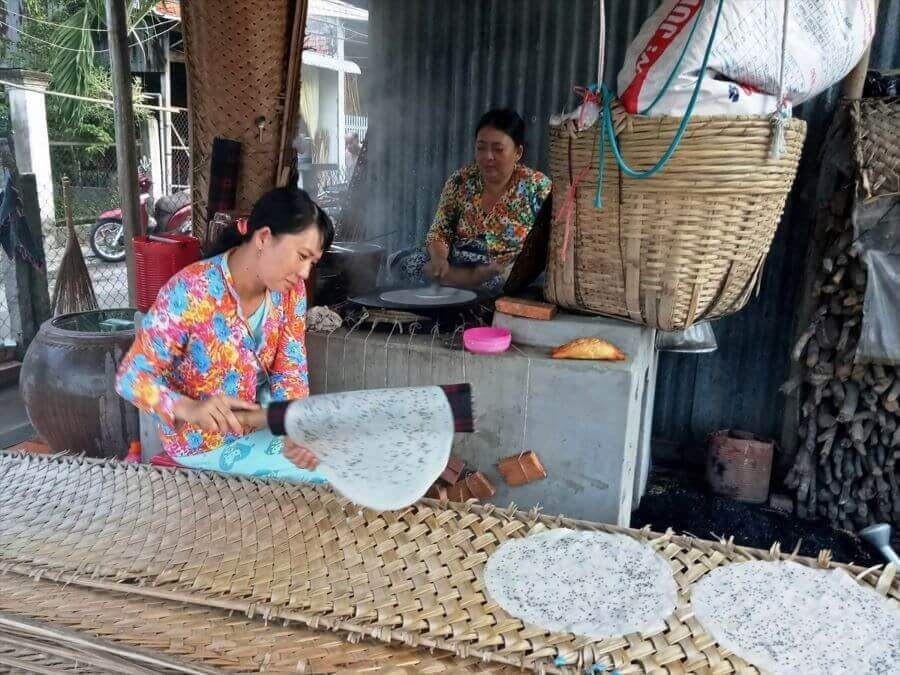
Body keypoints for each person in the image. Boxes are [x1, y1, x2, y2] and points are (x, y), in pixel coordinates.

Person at [116, 187, 333, 481]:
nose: (305, 272)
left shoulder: (290, 292)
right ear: (264, 238)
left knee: (342, 451)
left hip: (261, 427)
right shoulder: (191, 291)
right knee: (329, 475)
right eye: (302, 256)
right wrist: (189, 408)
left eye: (312, 263)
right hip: (203, 443)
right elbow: (131, 377)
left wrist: (293, 430)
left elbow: (290, 370)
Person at [391, 109, 552, 294]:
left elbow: (548, 246)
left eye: (498, 149)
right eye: (481, 148)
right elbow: (440, 231)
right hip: (459, 260)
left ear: (518, 152)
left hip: (502, 269)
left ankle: (457, 282)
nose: (487, 156)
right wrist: (439, 259)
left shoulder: (537, 187)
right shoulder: (461, 180)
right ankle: (462, 280)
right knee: (404, 262)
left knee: (504, 280)